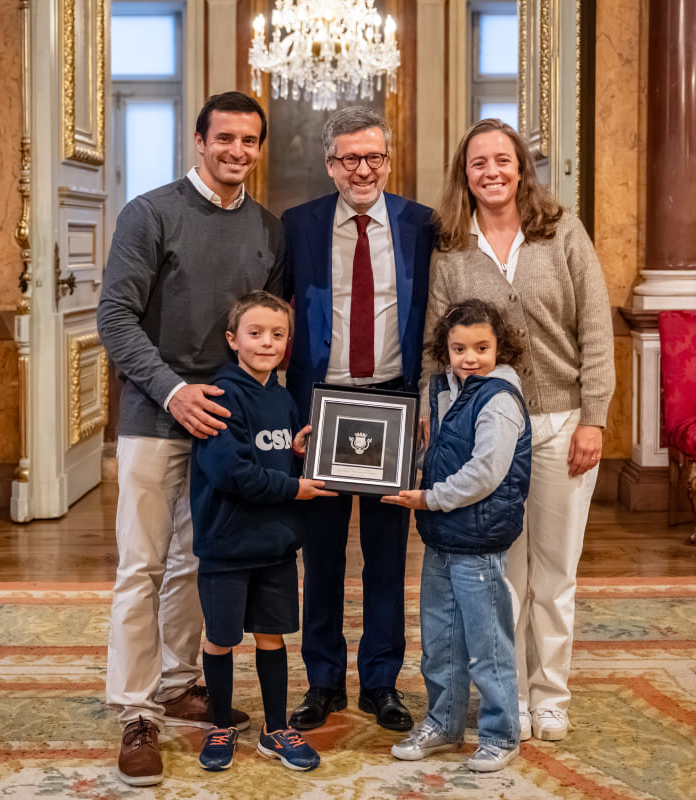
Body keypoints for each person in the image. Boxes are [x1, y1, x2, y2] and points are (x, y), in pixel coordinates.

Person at [96, 91, 285, 787]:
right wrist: (173, 390)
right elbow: (115, 318)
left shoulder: (268, 229)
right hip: (156, 416)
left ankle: (178, 683)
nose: (237, 150)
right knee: (141, 566)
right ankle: (136, 712)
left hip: (225, 428)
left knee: (195, 562)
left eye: (249, 140)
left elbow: (265, 332)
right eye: (224, 138)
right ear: (199, 142)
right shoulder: (149, 214)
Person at [422, 119, 614, 743]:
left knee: (555, 571)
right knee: (503, 572)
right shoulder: (451, 248)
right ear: (464, 174)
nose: (492, 172)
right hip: (488, 431)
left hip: (560, 424)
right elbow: (435, 346)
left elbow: (595, 328)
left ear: (521, 168)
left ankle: (550, 694)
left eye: (502, 160)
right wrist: (435, 417)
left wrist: (594, 418)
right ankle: (513, 695)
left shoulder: (562, 232)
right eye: (478, 163)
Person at [282, 106, 437, 733]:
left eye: (373, 156)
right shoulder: (300, 225)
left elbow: (435, 315)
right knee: (320, 557)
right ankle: (323, 682)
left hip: (394, 404)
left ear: (389, 161)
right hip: (322, 407)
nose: (363, 169)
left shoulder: (422, 224)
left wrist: (427, 399)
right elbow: (276, 313)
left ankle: (381, 683)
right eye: (350, 158)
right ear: (331, 165)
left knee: (386, 555)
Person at [188, 291, 336, 773]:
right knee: (221, 639)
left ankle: (275, 729)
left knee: (272, 637)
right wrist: (294, 488)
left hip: (275, 545)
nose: (266, 343)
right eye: (255, 333)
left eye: (277, 334)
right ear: (233, 339)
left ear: (288, 342)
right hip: (226, 545)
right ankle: (220, 725)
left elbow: (273, 454)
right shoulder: (219, 396)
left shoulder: (284, 397)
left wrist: (297, 452)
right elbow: (231, 473)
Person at [383, 299, 532, 772]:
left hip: (479, 543)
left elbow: (485, 473)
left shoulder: (499, 400)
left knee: (488, 646)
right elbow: (437, 454)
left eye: (482, 348)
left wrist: (429, 499)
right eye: (460, 348)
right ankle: (444, 724)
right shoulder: (444, 389)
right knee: (440, 643)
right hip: (441, 539)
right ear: (445, 349)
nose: (470, 358)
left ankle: (501, 734)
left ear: (500, 347)